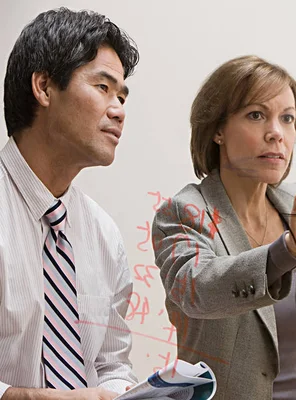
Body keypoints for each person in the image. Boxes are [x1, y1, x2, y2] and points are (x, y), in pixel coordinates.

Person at [152, 55, 296, 399]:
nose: (276, 133)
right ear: (217, 130)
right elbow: (197, 291)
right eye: (256, 115)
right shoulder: (185, 212)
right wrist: (286, 252)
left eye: (287, 119)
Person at [0, 8, 140, 399]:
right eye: (103, 88)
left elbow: (112, 363)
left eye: (122, 96)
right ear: (44, 87)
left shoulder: (103, 234)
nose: (119, 110)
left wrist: (119, 393)